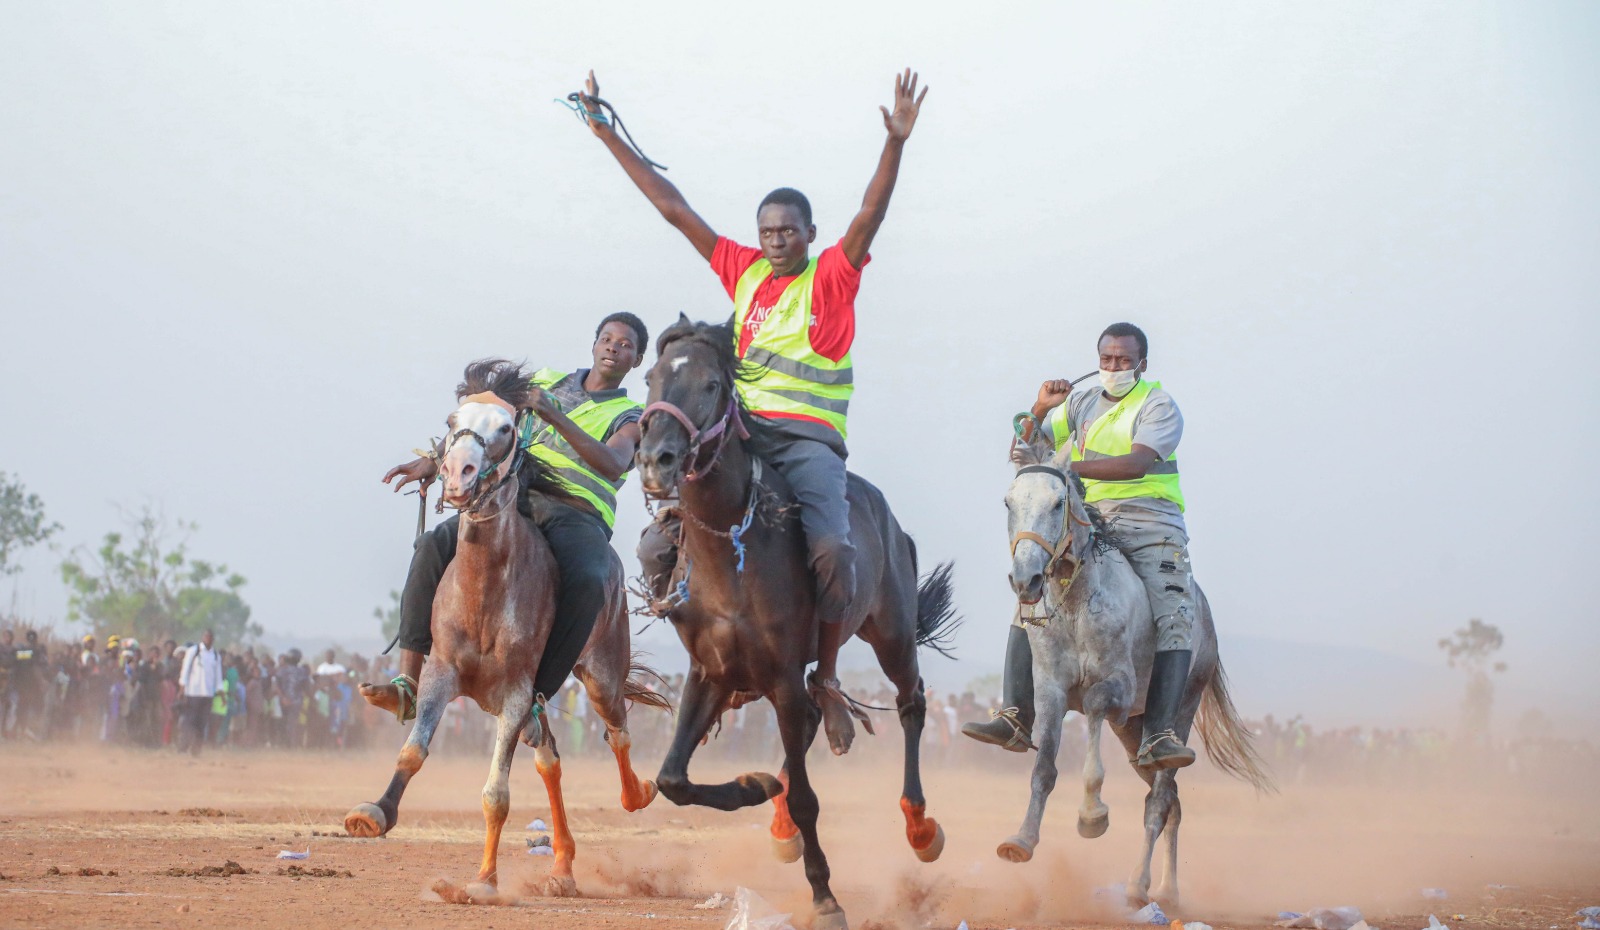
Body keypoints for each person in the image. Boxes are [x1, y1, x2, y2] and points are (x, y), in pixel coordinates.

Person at [578, 68, 929, 752]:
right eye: (766, 230)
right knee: (658, 540)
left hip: (808, 443)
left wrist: (895, 146)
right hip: (738, 436)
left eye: (788, 230)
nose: (775, 239)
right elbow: (674, 209)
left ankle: (822, 676)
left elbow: (869, 217)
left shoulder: (831, 276)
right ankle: (709, 643)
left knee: (831, 547)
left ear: (807, 234)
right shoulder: (744, 272)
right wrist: (607, 136)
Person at [359, 313, 649, 722]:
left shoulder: (632, 416)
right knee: (431, 544)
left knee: (588, 580)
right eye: (607, 339)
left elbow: (614, 463)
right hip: (519, 498)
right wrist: (434, 459)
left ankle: (536, 697)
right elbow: (482, 419)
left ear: (636, 360)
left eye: (625, 345)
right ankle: (407, 684)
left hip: (577, 514)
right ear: (594, 343)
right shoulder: (547, 381)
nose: (613, 347)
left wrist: (554, 416)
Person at [962, 323, 1201, 771]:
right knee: (1032, 588)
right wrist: (1039, 406)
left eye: (1123, 360)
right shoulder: (1079, 403)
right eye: (1106, 359)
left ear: (1141, 364)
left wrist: (1069, 468)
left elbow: (1137, 463)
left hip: (1151, 520)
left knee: (1176, 614)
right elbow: (1027, 454)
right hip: (1088, 517)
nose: (1113, 367)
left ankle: (1160, 734)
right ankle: (1015, 715)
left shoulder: (1158, 404)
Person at [176, 630, 222, 755]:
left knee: (202, 724)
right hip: (193, 693)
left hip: (208, 695)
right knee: (189, 722)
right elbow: (185, 671)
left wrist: (222, 695)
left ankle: (196, 751)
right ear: (202, 637)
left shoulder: (216, 655)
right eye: (206, 636)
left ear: (213, 639)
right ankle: (182, 748)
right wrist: (182, 689)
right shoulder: (193, 652)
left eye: (210, 637)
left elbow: (218, 677)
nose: (208, 639)